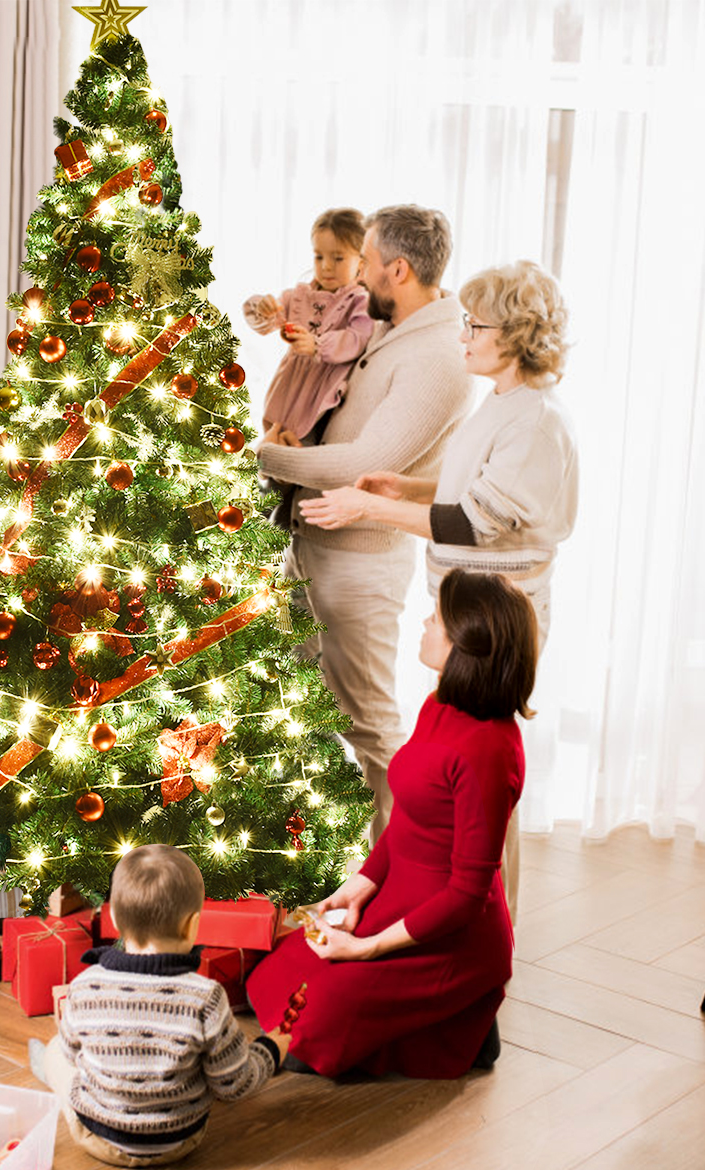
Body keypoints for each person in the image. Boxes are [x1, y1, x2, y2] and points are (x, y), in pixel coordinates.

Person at [297, 259, 578, 915]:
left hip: (498, 618)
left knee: (482, 774)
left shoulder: (535, 420)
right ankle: (456, 904)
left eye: (476, 326)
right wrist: (407, 488)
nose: (464, 336)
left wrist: (366, 510)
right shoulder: (502, 403)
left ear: (514, 333)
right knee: (462, 766)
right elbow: (470, 491)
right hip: (468, 607)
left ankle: (485, 916)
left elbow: (473, 523)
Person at [245, 570, 538, 1079]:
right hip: (401, 894)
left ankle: (463, 1022)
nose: (426, 623)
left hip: (451, 932)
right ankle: (443, 1023)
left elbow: (467, 894)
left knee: (320, 1018)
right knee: (280, 976)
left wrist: (366, 948)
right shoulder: (439, 704)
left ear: (467, 644)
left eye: (438, 620)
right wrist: (358, 887)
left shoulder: (489, 752)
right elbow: (407, 817)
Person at [257, 205, 474, 841]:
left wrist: (261, 454)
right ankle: (322, 860)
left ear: (397, 270)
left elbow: (367, 462)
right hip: (316, 541)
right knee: (304, 709)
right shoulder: (388, 326)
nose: (356, 280)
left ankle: (402, 865)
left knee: (368, 722)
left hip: (360, 562)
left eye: (369, 266)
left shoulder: (436, 356)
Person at [29, 844, 290, 1168]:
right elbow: (236, 1083)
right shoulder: (206, 996)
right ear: (192, 925)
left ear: (113, 917)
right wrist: (271, 1049)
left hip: (98, 1137)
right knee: (207, 1058)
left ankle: (50, 1075)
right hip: (180, 1141)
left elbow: (72, 1054)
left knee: (57, 1050)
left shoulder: (85, 985)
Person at [243, 207, 374, 446]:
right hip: (288, 386)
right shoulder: (300, 295)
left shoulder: (359, 300)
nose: (326, 266)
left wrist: (318, 345)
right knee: (274, 443)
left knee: (302, 446)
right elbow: (265, 323)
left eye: (338, 258)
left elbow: (358, 338)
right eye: (319, 257)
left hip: (322, 390)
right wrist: (263, 308)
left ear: (361, 263)